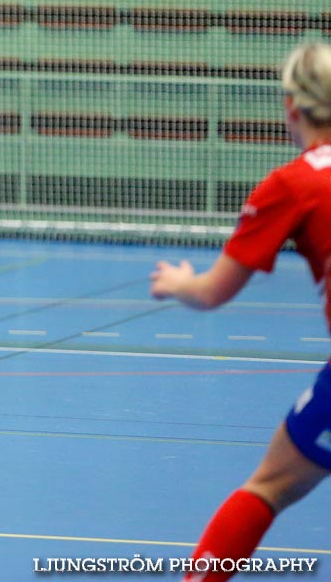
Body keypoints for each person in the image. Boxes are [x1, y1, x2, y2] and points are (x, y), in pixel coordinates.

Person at [150, 41, 331, 581]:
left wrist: (181, 282)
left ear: (291, 107)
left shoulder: (294, 184)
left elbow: (212, 292)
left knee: (269, 487)